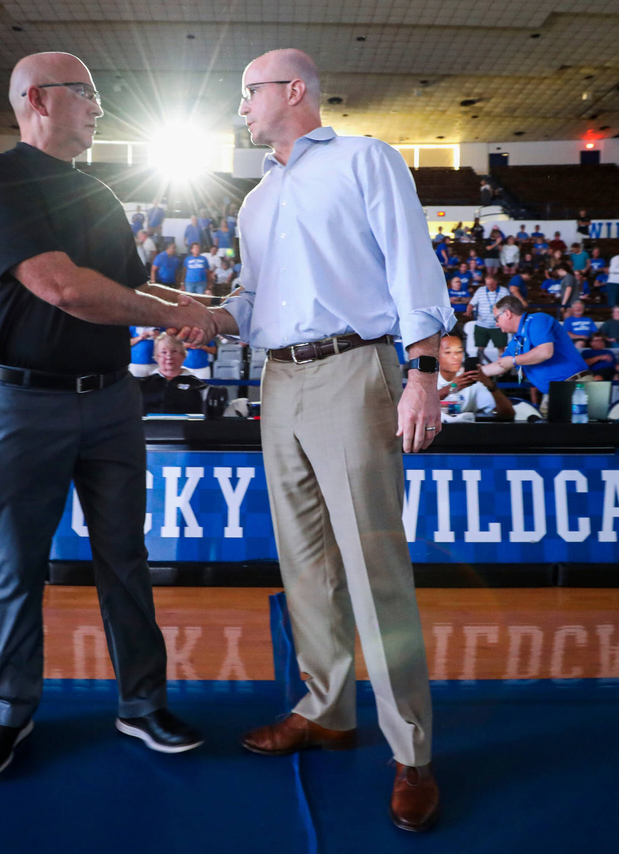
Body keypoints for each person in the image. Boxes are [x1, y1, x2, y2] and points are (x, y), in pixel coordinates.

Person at [208, 48, 447, 832]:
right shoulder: (255, 200)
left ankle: (412, 752)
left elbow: (413, 264)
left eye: (250, 91)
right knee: (304, 562)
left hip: (357, 369)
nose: (241, 105)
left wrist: (423, 370)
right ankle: (328, 709)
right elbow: (249, 303)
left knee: (374, 566)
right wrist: (192, 316)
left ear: (293, 90)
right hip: (279, 381)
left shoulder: (365, 160)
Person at [0, 50, 208, 780]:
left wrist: (193, 317)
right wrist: (174, 313)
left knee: (125, 558)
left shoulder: (96, 190)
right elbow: (62, 288)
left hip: (108, 398)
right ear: (37, 99)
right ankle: (7, 711)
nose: (99, 107)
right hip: (19, 402)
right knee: (16, 564)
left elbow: (133, 286)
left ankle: (142, 702)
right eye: (86, 94)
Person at [482, 296, 592, 410]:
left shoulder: (537, 320)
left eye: (496, 319)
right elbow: (501, 365)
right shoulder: (516, 341)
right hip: (553, 392)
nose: (496, 324)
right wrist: (475, 373)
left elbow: (545, 352)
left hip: (575, 388)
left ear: (508, 314)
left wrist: (514, 360)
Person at [436, 334, 513, 420]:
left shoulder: (471, 381)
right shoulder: (423, 380)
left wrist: (491, 387)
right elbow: (419, 407)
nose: (455, 357)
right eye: (448, 352)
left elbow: (508, 414)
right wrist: (450, 389)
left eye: (459, 351)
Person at [138, 333, 208, 413]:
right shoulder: (142, 385)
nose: (169, 356)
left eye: (174, 351)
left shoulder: (199, 386)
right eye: (164, 352)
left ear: (183, 355)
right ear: (156, 356)